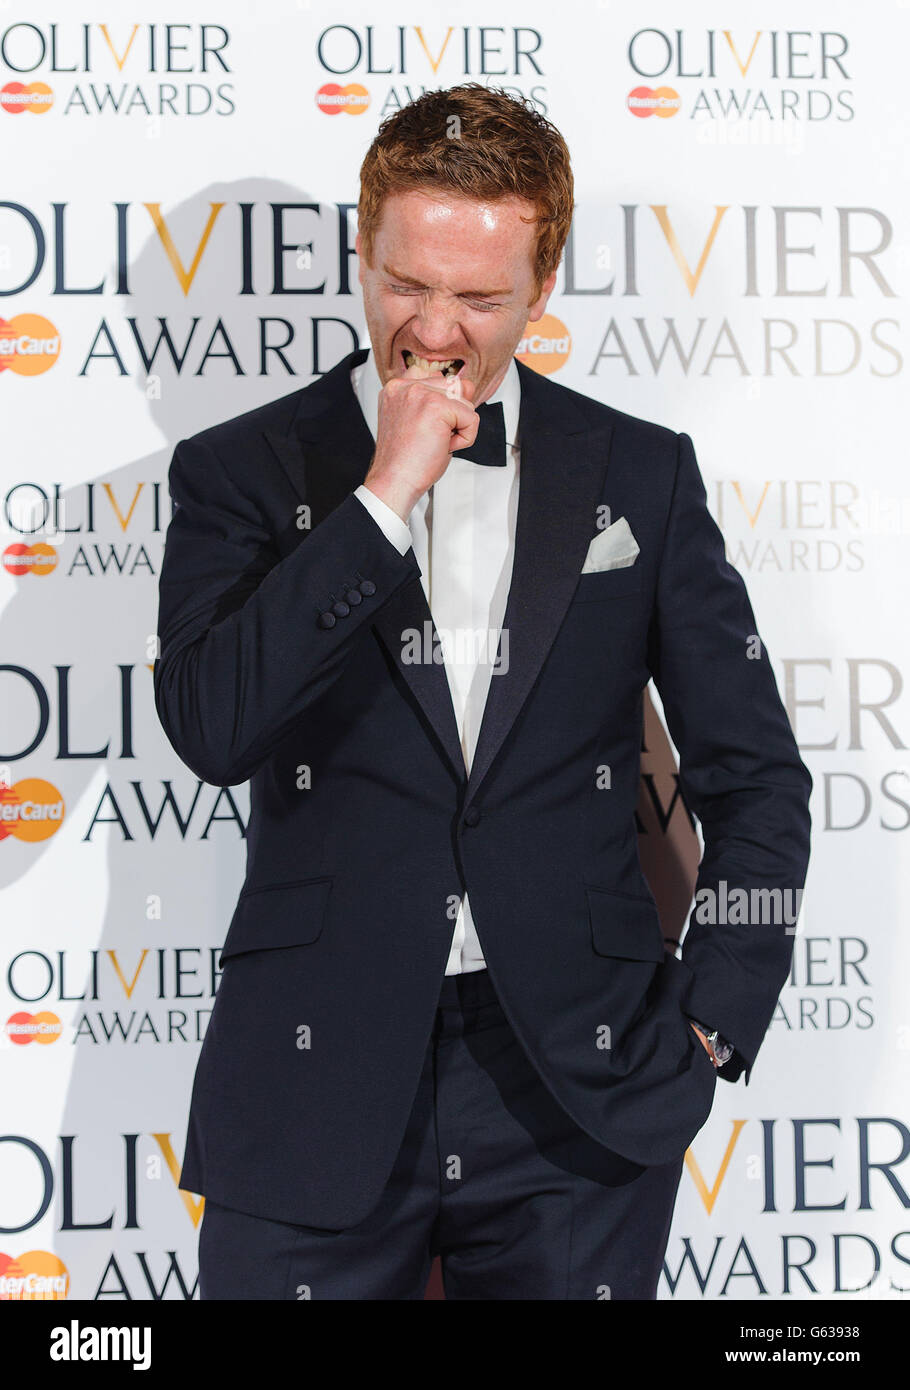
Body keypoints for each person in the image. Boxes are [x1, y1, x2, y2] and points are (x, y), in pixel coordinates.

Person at [153, 83, 812, 1300]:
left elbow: (758, 777)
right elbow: (211, 726)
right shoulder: (239, 470)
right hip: (312, 1074)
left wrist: (714, 1017)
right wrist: (378, 502)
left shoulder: (641, 473)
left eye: (480, 297)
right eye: (406, 284)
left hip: (579, 1087)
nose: (436, 331)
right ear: (361, 252)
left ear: (543, 290)